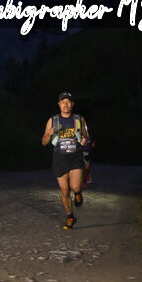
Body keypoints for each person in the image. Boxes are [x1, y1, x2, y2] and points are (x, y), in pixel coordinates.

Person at [42, 91, 88, 229]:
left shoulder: (79, 119)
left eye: (68, 102)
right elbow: (44, 142)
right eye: (63, 102)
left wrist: (84, 140)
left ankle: (78, 193)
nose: (65, 104)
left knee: (76, 187)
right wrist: (49, 134)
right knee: (64, 190)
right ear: (59, 104)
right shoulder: (53, 120)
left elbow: (85, 136)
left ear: (72, 104)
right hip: (59, 157)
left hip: (75, 156)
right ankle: (70, 217)